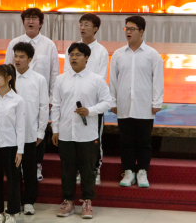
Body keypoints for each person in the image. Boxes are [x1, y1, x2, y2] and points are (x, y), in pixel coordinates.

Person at [52, 42, 113, 219]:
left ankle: (87, 201)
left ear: (87, 58)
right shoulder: (61, 80)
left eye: (78, 55)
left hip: (87, 133)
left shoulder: (96, 80)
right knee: (67, 169)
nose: (73, 58)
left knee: (88, 170)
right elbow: (56, 106)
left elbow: (107, 102)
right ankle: (68, 201)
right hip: (66, 132)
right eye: (71, 55)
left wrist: (90, 110)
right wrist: (55, 129)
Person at [109, 16, 164, 189]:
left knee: (144, 141)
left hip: (144, 105)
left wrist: (157, 102)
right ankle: (128, 171)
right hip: (124, 105)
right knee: (126, 141)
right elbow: (113, 80)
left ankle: (142, 171)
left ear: (141, 31)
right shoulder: (118, 54)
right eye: (126, 28)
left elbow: (158, 80)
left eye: (132, 29)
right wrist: (112, 100)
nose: (128, 32)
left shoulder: (152, 54)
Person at [4, 7, 58, 181]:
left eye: (34, 18)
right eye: (27, 18)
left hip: (39, 97)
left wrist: (52, 98)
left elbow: (54, 73)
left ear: (41, 23)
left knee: (37, 130)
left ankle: (37, 165)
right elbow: (6, 70)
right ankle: (15, 166)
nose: (30, 21)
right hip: (15, 96)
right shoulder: (14, 43)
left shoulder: (49, 45)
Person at [63, 13, 109, 186]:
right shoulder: (73, 48)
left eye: (86, 24)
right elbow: (67, 74)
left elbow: (101, 78)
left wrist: (91, 103)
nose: (82, 27)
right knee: (75, 138)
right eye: (80, 24)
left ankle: (95, 169)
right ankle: (77, 170)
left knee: (95, 139)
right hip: (73, 101)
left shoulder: (101, 51)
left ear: (95, 28)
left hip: (93, 102)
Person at [0, 64, 26, 223]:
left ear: (9, 78)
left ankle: (12, 212)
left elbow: (20, 127)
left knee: (13, 180)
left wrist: (20, 150)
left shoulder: (17, 100)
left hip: (11, 145)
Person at [12, 42, 48, 216]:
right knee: (13, 169)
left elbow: (43, 107)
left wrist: (41, 131)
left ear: (30, 59)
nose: (17, 60)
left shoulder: (39, 79)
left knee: (29, 169)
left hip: (30, 132)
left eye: (22, 57)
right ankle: (16, 199)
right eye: (16, 56)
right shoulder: (8, 77)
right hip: (11, 133)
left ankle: (29, 201)